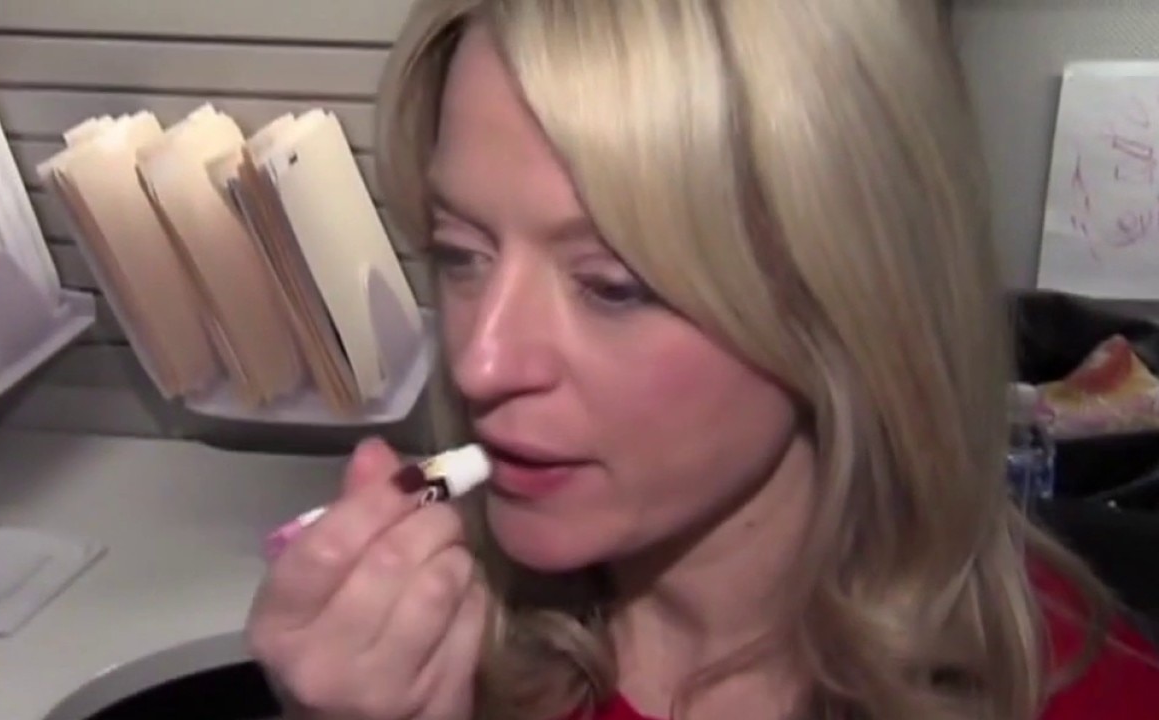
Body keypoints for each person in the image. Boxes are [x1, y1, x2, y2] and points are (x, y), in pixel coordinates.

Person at [245, 1, 1159, 718]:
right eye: (460, 254)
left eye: (611, 285)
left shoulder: (1095, 697)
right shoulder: (421, 664)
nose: (481, 362)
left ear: (849, 300)